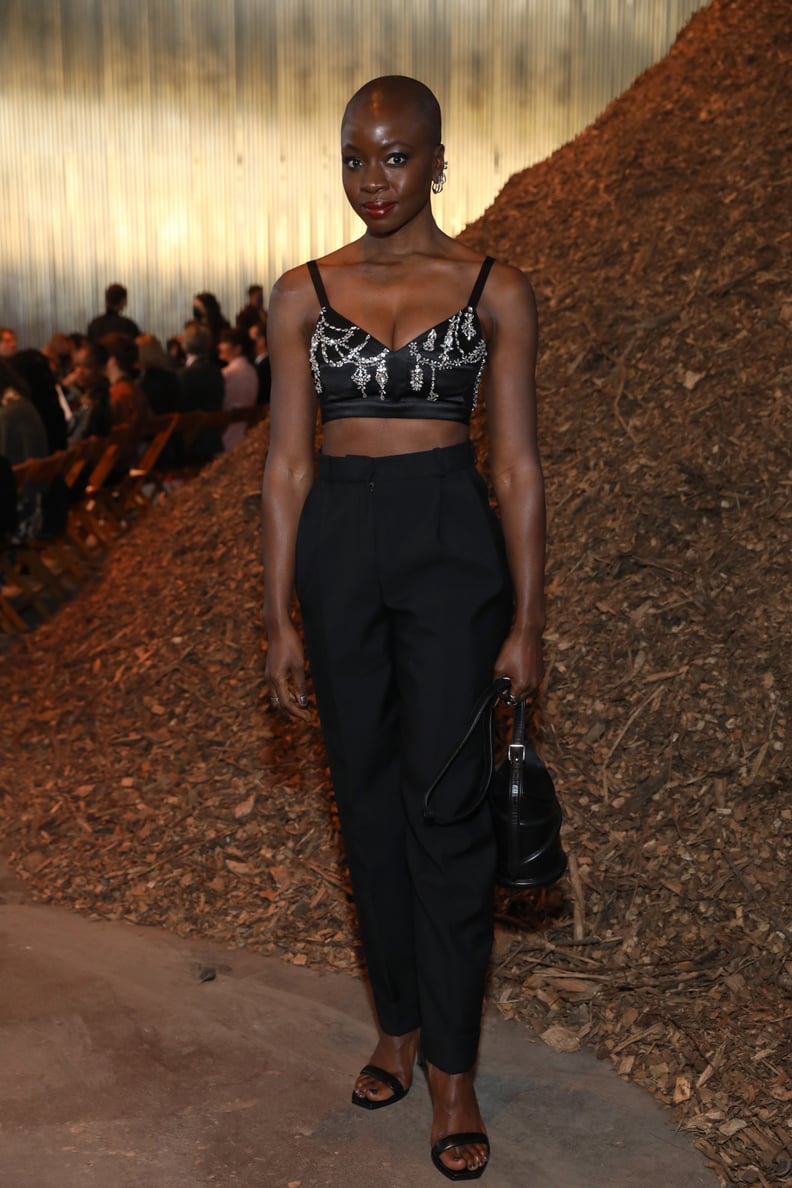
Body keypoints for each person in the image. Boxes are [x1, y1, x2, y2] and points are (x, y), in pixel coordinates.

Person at [261, 76, 545, 1181]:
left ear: (437, 159)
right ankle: (397, 1019)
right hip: (337, 545)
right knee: (364, 796)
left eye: (394, 156)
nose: (372, 179)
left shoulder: (494, 288)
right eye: (354, 157)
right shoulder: (301, 293)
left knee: (450, 805)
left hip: (449, 543)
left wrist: (531, 617)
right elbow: (285, 465)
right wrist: (274, 612)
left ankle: (455, 1071)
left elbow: (517, 465)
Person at [217, 327, 257, 451]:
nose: (220, 346)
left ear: (238, 348)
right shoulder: (252, 371)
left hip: (227, 428)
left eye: (225, 342)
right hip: (247, 429)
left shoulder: (227, 373)